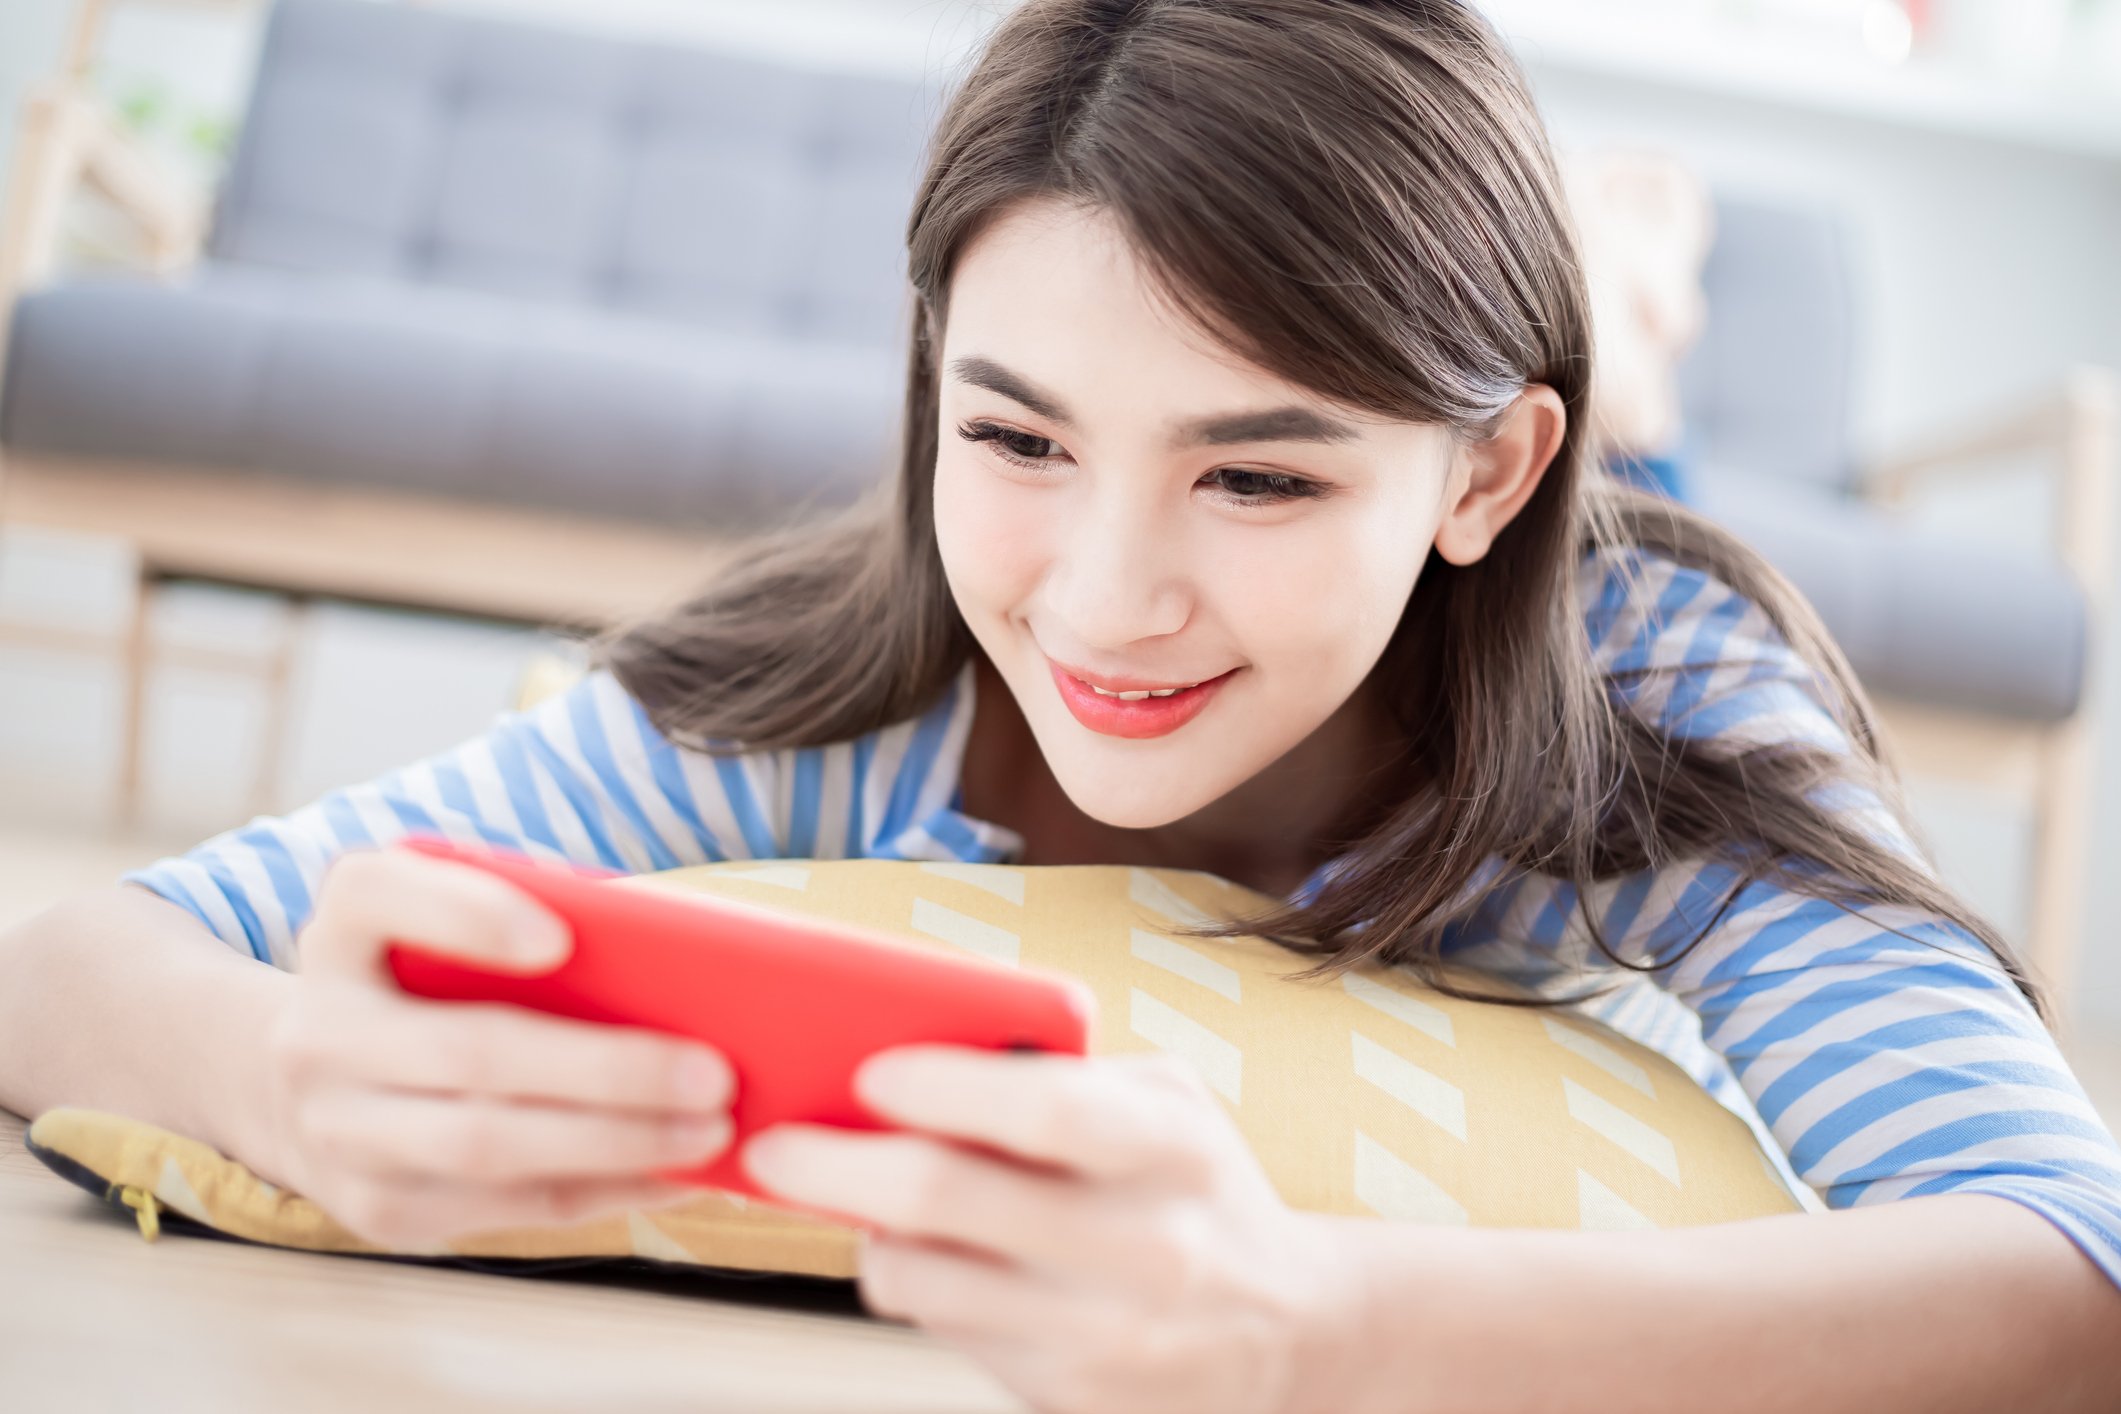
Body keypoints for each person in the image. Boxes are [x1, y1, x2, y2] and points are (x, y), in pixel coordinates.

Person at [3, 1, 2117, 1408]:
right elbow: (65, 967)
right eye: (1015, 434)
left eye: (1258, 469)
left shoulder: (1655, 703)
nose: (1103, 601)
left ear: (1480, 471)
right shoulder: (846, 673)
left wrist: (1317, 1317)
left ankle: (1621, 264)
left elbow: (2062, 1268)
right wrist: (294, 1083)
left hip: (1574, 521)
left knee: (1612, 381)